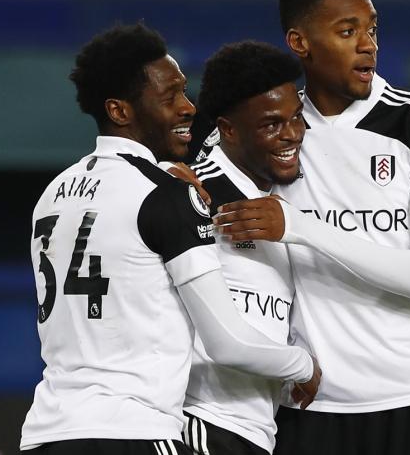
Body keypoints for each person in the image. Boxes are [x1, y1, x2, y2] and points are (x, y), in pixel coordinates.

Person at [19, 23, 320, 455]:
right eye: (170, 98)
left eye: (184, 92)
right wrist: (302, 365)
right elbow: (227, 342)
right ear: (120, 111)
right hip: (132, 430)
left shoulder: (51, 195)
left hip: (46, 433)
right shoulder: (167, 194)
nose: (188, 109)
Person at [212, 0, 410, 455]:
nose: (367, 44)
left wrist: (300, 227)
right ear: (300, 42)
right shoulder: (273, 129)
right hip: (312, 406)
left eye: (371, 29)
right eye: (347, 31)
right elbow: (193, 186)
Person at [179, 41, 312, 455]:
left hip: (257, 431)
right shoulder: (189, 194)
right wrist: (303, 368)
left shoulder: (288, 203)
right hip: (199, 423)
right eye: (271, 124)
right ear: (229, 129)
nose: (291, 135)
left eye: (296, 118)